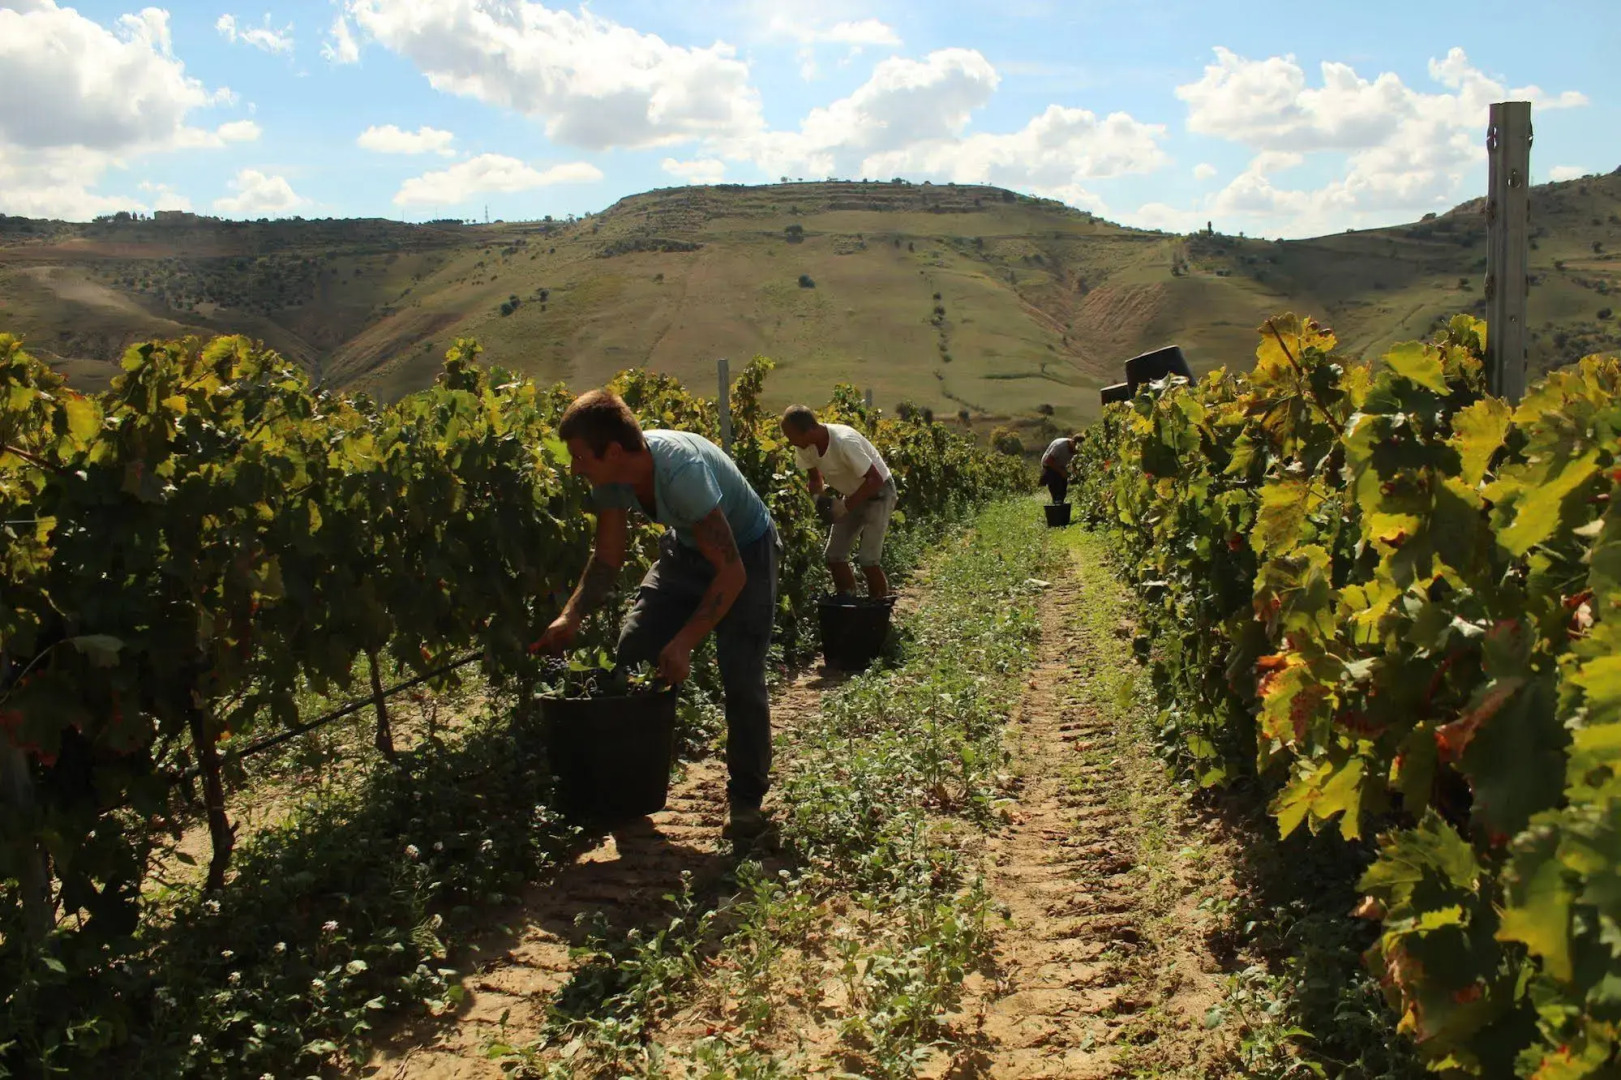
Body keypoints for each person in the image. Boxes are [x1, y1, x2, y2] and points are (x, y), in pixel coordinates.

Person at [532, 390, 779, 840]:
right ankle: (631, 781)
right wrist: (571, 616)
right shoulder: (610, 479)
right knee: (634, 649)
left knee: (741, 674)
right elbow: (608, 557)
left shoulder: (681, 472)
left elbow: (731, 573)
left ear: (612, 451)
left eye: (580, 457)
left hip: (745, 553)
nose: (574, 468)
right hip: (685, 550)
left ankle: (746, 799)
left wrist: (684, 642)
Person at [779, 405, 897, 599]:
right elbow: (815, 479)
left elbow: (875, 480)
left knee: (868, 559)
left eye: (791, 436)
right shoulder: (804, 447)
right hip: (853, 493)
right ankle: (847, 601)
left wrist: (844, 507)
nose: (790, 441)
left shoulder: (844, 441)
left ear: (808, 430)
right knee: (834, 555)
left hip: (880, 493)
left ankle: (878, 606)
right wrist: (819, 500)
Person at [1040, 434, 1079, 505]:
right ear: (1072, 442)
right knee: (1056, 484)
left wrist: (1075, 472)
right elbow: (1048, 461)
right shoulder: (1059, 446)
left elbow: (1074, 460)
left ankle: (1061, 504)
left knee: (1063, 486)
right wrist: (1061, 472)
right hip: (1049, 465)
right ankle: (1056, 503)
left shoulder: (1075, 448)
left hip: (1061, 465)